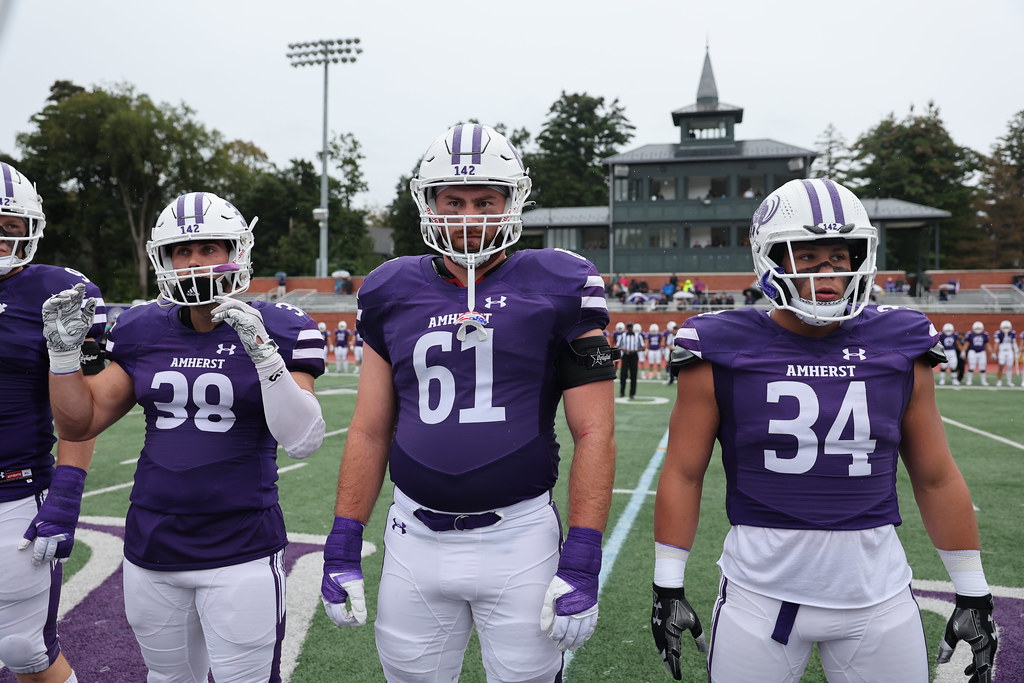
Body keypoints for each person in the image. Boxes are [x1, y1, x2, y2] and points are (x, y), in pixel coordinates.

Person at [651, 178, 996, 682]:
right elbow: (683, 472)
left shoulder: (900, 339)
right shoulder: (720, 343)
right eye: (806, 256)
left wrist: (972, 588)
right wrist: (668, 586)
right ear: (769, 259)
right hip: (759, 596)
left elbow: (935, 476)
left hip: (878, 597)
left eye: (840, 256)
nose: (827, 272)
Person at [319, 124, 617, 681]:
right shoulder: (390, 289)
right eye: (453, 201)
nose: (468, 214)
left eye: (485, 200)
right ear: (429, 203)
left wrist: (582, 555)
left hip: (520, 538)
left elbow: (595, 433)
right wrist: (343, 540)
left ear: (512, 203)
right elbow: (368, 430)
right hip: (413, 539)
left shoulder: (560, 281)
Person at [45, 191, 327, 683]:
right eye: (182, 251)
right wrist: (64, 360)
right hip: (153, 543)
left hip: (241, 544)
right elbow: (78, 423)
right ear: (164, 258)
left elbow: (302, 439)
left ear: (236, 253)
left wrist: (265, 357)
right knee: (168, 678)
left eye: (209, 249)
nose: (194, 262)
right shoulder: (141, 327)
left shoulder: (279, 326)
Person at [0, 162, 106, 683]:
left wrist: (66, 491)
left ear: (30, 229)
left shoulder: (59, 294)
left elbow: (80, 411)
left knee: (23, 650)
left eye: (8, 224)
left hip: (13, 491)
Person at [616, 321, 644, 399]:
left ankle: (632, 393)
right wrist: (624, 349)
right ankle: (622, 392)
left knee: (633, 375)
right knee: (623, 375)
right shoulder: (622, 335)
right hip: (625, 356)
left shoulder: (638, 336)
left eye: (630, 326)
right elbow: (618, 346)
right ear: (626, 327)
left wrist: (635, 350)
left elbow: (643, 347)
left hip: (634, 356)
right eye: (628, 327)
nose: (629, 328)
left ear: (633, 327)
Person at [992, 320, 1018, 387]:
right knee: (1001, 366)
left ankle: (1009, 381)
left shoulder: (1012, 333)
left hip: (1009, 351)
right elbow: (996, 343)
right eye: (1004, 327)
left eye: (1007, 327)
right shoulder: (999, 333)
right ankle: (999, 380)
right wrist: (994, 352)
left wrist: (1016, 351)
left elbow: (1014, 343)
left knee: (1009, 367)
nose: (1006, 329)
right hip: (1002, 351)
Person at [964, 321, 990, 386]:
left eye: (979, 329)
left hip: (982, 352)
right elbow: (967, 343)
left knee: (982, 367)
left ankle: (983, 381)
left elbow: (987, 344)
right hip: (972, 351)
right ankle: (969, 380)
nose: (978, 330)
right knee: (971, 366)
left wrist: (992, 352)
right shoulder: (970, 334)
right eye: (977, 329)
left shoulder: (985, 334)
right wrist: (963, 351)